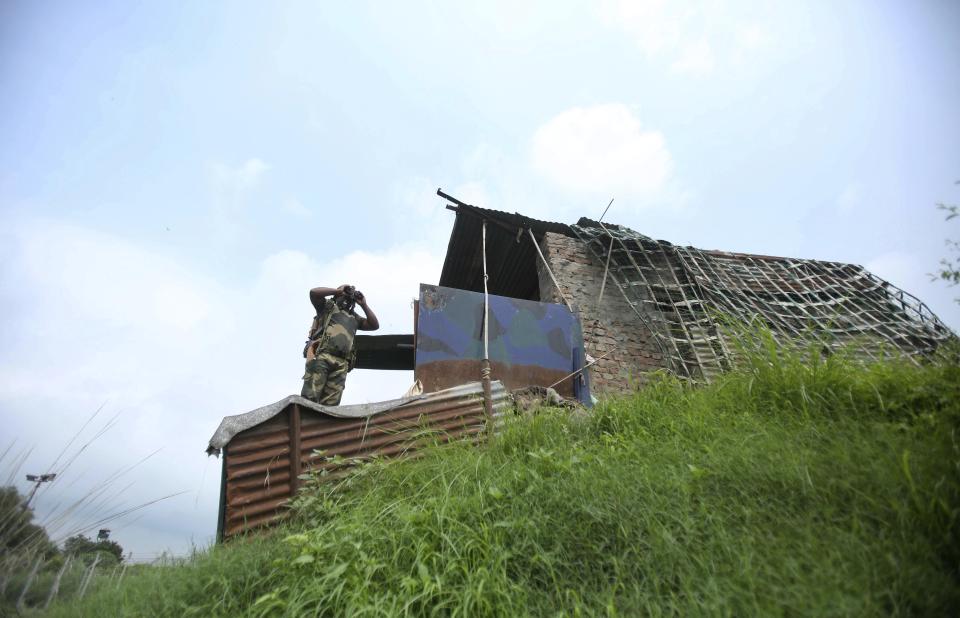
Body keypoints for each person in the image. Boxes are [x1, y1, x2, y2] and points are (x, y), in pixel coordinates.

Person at [301, 284, 379, 405]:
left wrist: (363, 304)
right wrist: (338, 291)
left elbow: (374, 325)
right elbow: (314, 293)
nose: (347, 297)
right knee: (310, 399)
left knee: (331, 405)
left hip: (341, 363)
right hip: (323, 356)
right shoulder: (327, 307)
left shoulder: (355, 318)